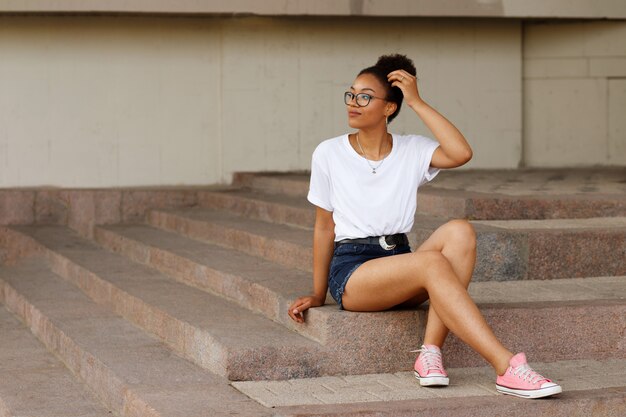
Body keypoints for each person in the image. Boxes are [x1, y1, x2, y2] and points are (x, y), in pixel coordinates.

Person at [287, 54, 562, 399]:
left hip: (401, 262)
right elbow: (324, 227)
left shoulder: (411, 149)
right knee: (431, 262)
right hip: (354, 272)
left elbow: (461, 153)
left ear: (389, 108)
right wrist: (317, 293)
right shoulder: (328, 153)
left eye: (365, 96)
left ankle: (429, 353)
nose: (353, 103)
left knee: (461, 230)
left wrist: (416, 102)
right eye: (351, 94)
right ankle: (505, 366)